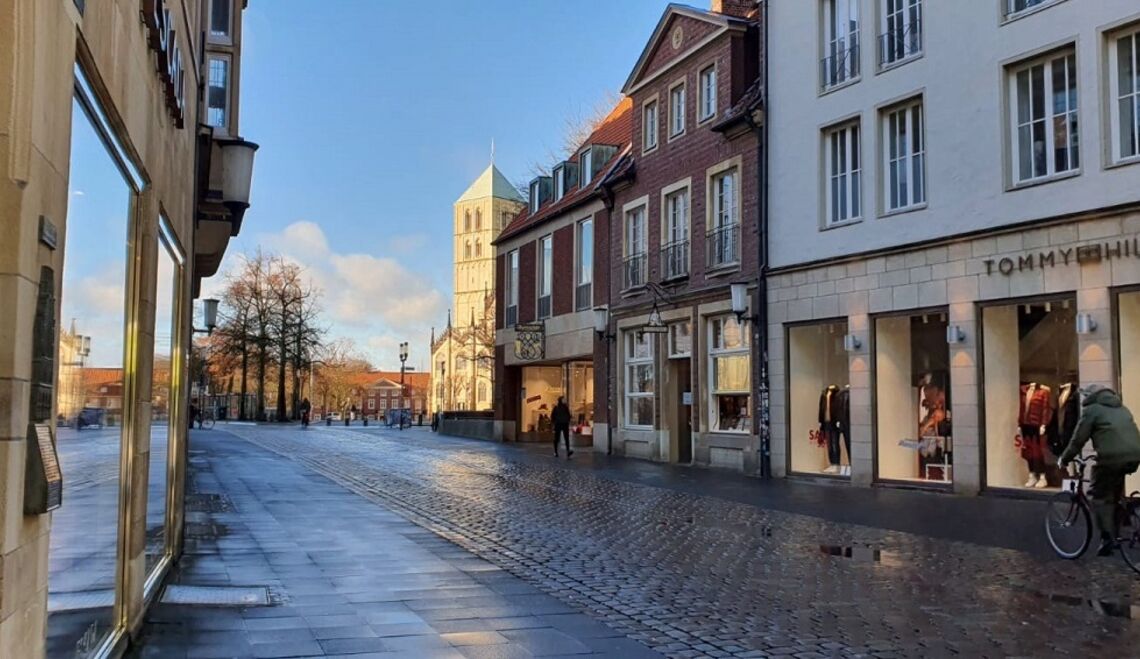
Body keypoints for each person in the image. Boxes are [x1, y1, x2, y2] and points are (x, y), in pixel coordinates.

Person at [1058, 384, 1140, 556]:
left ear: (1089, 395)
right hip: (1133, 455)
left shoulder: (1092, 410)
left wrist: (1064, 459)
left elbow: (1078, 439)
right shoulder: (1121, 408)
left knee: (1098, 496)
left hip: (1111, 458)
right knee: (1113, 494)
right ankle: (1119, 526)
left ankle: (1107, 538)